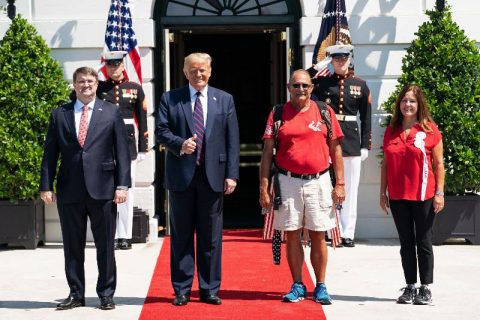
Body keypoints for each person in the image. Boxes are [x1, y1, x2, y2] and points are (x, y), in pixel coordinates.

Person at [39, 67, 131, 310]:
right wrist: (45, 186)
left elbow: (122, 151)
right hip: (70, 190)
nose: (86, 85)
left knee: (105, 246)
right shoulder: (60, 114)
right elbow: (50, 153)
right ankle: (76, 294)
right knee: (72, 245)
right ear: (74, 84)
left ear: (96, 83)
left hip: (104, 189)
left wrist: (122, 185)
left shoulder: (110, 112)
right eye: (81, 81)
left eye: (90, 81)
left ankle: (106, 294)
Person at [155, 52, 240, 306]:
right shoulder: (170, 98)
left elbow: (231, 139)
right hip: (181, 177)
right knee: (181, 236)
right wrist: (180, 144)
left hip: (212, 177)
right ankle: (181, 289)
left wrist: (232, 175)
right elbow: (161, 131)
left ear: (210, 71)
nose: (198, 74)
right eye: (193, 70)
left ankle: (209, 288)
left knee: (211, 237)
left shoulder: (224, 99)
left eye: (202, 69)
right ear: (185, 73)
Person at [259, 69, 345, 304]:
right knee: (292, 234)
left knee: (318, 234)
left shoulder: (325, 112)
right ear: (288, 88)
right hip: (287, 181)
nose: (301, 90)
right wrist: (263, 187)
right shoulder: (278, 113)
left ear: (312, 88)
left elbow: (336, 149)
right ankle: (297, 284)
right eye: (296, 86)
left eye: (305, 86)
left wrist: (341, 184)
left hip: (319, 181)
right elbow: (267, 153)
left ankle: (321, 286)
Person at [380, 84, 445, 305]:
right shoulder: (391, 130)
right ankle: (410, 286)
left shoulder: (429, 130)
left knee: (424, 241)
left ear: (419, 105)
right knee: (406, 243)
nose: (408, 104)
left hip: (424, 195)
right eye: (405, 100)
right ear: (399, 104)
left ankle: (425, 288)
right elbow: (385, 164)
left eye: (412, 101)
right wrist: (382, 192)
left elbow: (439, 164)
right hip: (398, 195)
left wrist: (439, 193)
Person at [311, 44, 372, 247]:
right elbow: (301, 80)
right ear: (331, 60)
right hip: (327, 140)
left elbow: (366, 117)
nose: (340, 62)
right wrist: (317, 67)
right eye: (336, 58)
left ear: (350, 59)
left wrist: (365, 145)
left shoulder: (360, 85)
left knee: (350, 189)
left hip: (351, 141)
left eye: (343, 58)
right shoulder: (321, 83)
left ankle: (348, 232)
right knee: (327, 187)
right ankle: (330, 230)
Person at [97, 51, 148, 250]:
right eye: (110, 66)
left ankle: (124, 236)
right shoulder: (99, 87)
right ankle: (110, 235)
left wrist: (143, 147)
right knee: (106, 191)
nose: (114, 69)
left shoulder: (134, 89)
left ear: (123, 66)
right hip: (104, 143)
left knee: (127, 189)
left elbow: (142, 118)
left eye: (117, 65)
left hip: (128, 144)